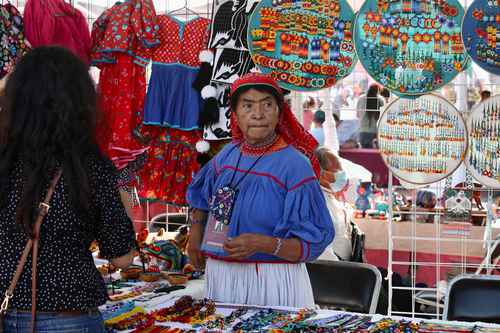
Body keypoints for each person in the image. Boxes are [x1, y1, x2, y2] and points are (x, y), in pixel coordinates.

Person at [0, 47, 136, 332]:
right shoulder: (89, 165)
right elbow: (122, 257)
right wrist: (123, 200)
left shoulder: (5, 158)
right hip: (69, 316)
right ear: (81, 102)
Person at [186, 73, 334, 308]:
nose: (258, 114)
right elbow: (201, 197)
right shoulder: (227, 155)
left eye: (267, 104)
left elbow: (313, 244)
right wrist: (195, 233)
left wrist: (264, 244)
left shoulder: (295, 166)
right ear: (234, 115)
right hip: (222, 275)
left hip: (272, 279)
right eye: (247, 106)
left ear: (279, 112)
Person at [314, 146, 353, 261]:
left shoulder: (331, 196)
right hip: (334, 268)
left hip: (346, 263)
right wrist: (340, 268)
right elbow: (321, 247)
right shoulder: (318, 202)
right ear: (322, 174)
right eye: (338, 170)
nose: (342, 174)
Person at [358, 84, 384, 148]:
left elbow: (357, 114)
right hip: (376, 131)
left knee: (364, 154)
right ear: (378, 91)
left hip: (363, 130)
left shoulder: (361, 98)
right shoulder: (380, 99)